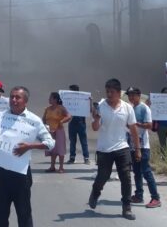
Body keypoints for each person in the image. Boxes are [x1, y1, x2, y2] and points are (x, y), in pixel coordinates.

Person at [0, 86, 55, 227]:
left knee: (24, 215)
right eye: (12, 97)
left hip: (21, 175)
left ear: (25, 101)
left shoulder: (34, 120)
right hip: (1, 174)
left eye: (17, 97)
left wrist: (30, 147)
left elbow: (50, 143)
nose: (13, 100)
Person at [88, 78, 140, 221]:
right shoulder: (100, 106)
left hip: (122, 147)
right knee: (103, 176)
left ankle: (126, 207)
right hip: (104, 149)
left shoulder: (127, 107)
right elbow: (95, 128)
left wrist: (137, 149)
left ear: (118, 93)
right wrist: (96, 118)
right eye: (107, 91)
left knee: (126, 178)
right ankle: (95, 192)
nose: (109, 94)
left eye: (112, 92)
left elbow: (133, 129)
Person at [126, 88, 161, 208]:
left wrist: (136, 125)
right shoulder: (130, 108)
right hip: (133, 145)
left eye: (133, 95)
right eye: (129, 95)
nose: (131, 97)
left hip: (143, 146)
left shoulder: (144, 108)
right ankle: (139, 195)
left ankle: (155, 198)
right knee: (136, 172)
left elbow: (149, 125)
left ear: (139, 95)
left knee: (146, 172)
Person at [43, 92, 71, 173]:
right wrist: (44, 126)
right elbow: (44, 118)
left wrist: (62, 121)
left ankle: (61, 167)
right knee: (52, 149)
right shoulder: (47, 109)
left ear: (55, 99)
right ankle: (52, 167)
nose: (49, 99)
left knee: (60, 149)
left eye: (50, 98)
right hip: (50, 131)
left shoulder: (61, 108)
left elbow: (69, 116)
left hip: (59, 131)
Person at [66, 84, 91, 165]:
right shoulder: (69, 100)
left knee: (83, 141)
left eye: (70, 91)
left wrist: (90, 101)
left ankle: (86, 158)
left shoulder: (82, 99)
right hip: (72, 123)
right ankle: (72, 157)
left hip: (81, 123)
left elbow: (89, 110)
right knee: (72, 142)